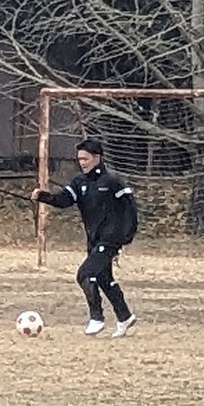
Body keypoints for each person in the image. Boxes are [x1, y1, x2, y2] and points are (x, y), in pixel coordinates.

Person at [31, 139, 138, 338]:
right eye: (80, 159)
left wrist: (126, 235)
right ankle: (124, 316)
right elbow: (63, 200)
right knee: (104, 278)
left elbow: (130, 210)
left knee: (85, 274)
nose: (82, 162)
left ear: (97, 158)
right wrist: (43, 197)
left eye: (85, 159)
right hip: (94, 239)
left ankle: (96, 318)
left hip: (111, 238)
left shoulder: (113, 181)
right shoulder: (79, 182)